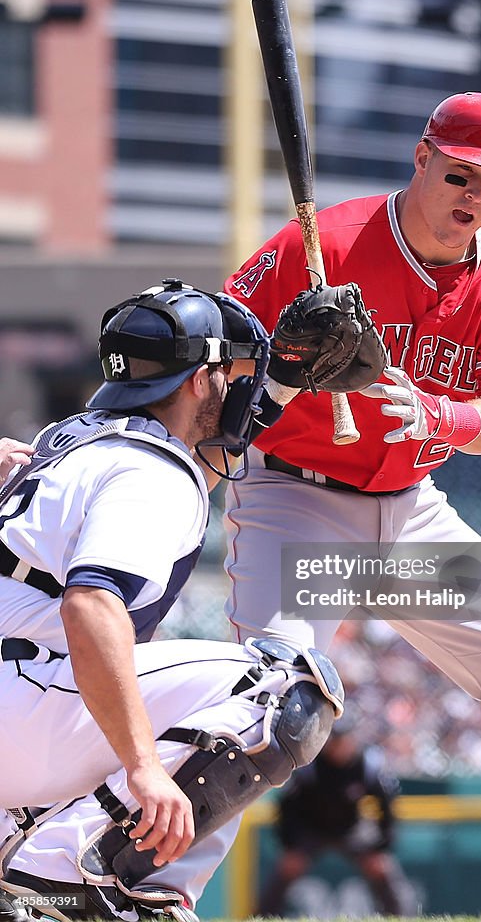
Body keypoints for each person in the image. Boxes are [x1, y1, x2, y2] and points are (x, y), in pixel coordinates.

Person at [222, 93, 481, 918]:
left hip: (410, 517)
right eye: (459, 174)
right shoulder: (319, 247)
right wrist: (280, 370)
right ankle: (145, 888)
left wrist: (447, 417)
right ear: (421, 158)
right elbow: (216, 360)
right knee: (272, 702)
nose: (474, 197)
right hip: (297, 505)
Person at [0, 279, 345, 922]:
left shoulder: (68, 443)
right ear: (196, 380)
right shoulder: (150, 467)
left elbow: (199, 460)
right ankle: (53, 871)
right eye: (231, 372)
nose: (239, 386)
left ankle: (25, 855)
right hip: (20, 702)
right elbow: (91, 608)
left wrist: (285, 384)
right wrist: (143, 770)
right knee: (284, 683)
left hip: (18, 700)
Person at [257, 710, 408, 917]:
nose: (337, 745)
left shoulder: (368, 763)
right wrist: (290, 845)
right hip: (311, 827)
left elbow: (387, 806)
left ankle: (400, 917)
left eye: (342, 739)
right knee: (288, 866)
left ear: (352, 739)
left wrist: (381, 847)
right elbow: (286, 808)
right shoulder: (310, 762)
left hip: (351, 826)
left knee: (382, 867)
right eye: (333, 739)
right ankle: (262, 917)